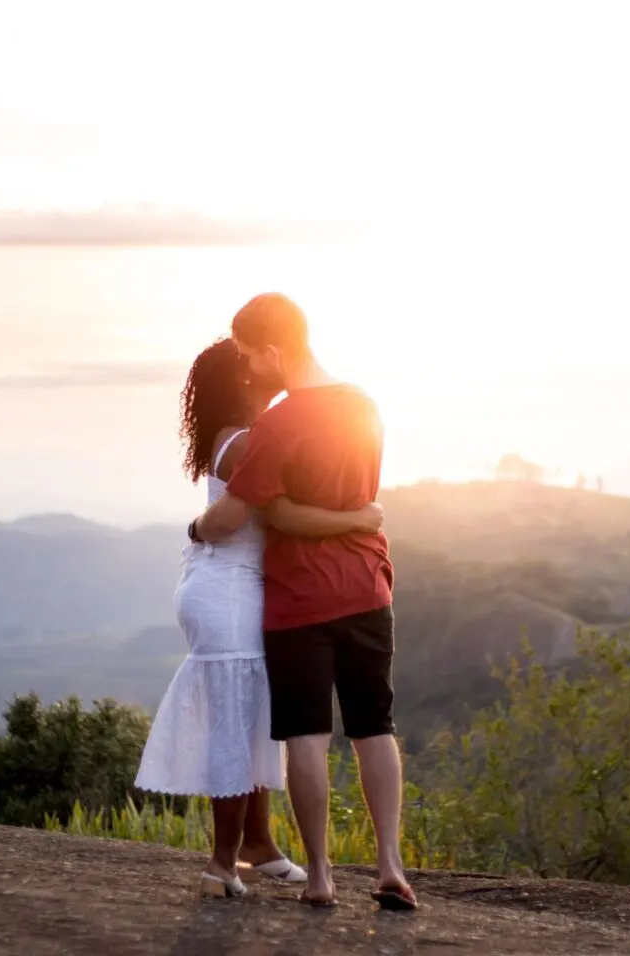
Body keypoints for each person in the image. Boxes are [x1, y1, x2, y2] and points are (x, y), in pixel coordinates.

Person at [135, 338, 385, 899]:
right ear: (243, 380)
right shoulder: (246, 440)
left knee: (251, 718)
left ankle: (259, 844)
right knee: (235, 720)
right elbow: (228, 519)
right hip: (228, 589)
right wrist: (359, 516)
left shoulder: (249, 435)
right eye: (248, 360)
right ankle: (221, 864)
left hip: (231, 586)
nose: (262, 364)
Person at [190, 293, 417, 911]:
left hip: (300, 600)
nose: (247, 370)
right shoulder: (364, 406)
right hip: (368, 585)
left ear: (271, 350)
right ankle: (389, 864)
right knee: (376, 727)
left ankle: (320, 877)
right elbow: (363, 497)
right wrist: (361, 520)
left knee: (308, 739)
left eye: (247, 356)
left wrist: (195, 529)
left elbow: (254, 511)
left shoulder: (278, 425)